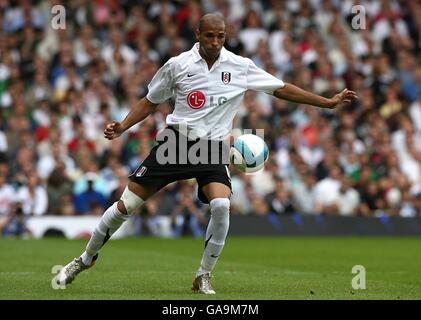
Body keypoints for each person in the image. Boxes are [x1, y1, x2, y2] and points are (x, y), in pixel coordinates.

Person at [55, 13, 357, 294]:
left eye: (221, 36)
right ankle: (85, 258)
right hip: (175, 144)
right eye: (210, 35)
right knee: (124, 207)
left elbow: (281, 88)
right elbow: (150, 101)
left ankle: (203, 275)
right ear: (197, 33)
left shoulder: (240, 66)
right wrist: (122, 127)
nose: (215, 42)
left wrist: (327, 103)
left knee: (222, 205)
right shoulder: (177, 65)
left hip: (211, 149)